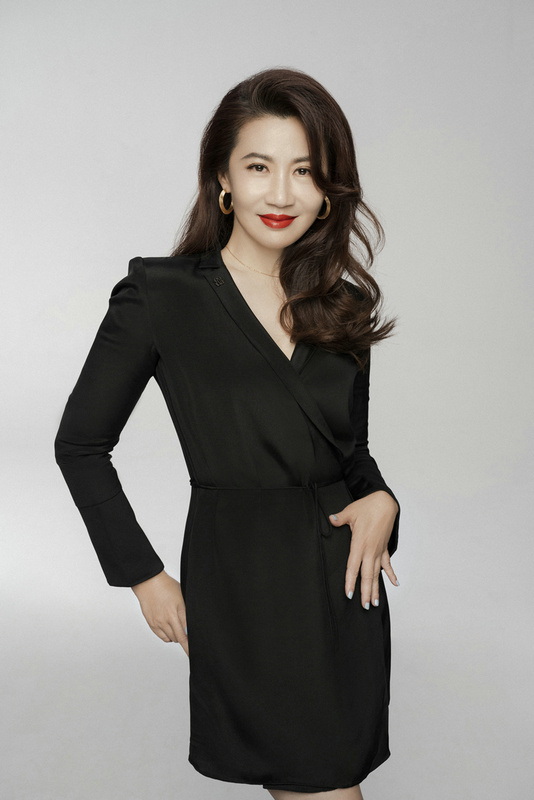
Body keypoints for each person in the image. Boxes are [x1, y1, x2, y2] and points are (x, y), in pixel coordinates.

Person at [54, 66, 401, 800]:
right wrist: (143, 576)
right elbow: (80, 445)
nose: (281, 194)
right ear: (223, 178)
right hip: (245, 586)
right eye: (259, 167)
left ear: (329, 190)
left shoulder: (340, 305)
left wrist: (385, 503)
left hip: (345, 594)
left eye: (304, 171)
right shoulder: (161, 296)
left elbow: (354, 457)